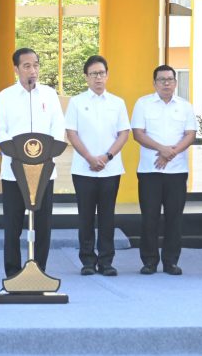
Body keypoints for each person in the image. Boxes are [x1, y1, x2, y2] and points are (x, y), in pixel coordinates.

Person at [0, 47, 65, 278]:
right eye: (26, 66)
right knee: (13, 226)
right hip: (14, 172)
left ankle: (40, 271)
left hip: (43, 171)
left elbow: (58, 128)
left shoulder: (50, 95)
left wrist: (47, 152)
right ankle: (13, 274)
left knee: (42, 225)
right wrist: (18, 153)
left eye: (35, 65)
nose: (32, 70)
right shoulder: (5, 96)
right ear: (16, 69)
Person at [64, 55, 130, 276]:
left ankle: (107, 261)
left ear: (107, 75)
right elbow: (71, 133)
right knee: (85, 216)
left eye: (101, 73)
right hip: (84, 169)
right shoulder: (77, 102)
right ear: (86, 77)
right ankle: (87, 261)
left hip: (110, 169)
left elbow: (123, 133)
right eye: (93, 74)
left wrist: (107, 157)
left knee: (107, 216)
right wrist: (90, 158)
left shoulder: (117, 103)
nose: (98, 78)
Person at [131, 64, 196, 275]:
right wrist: (162, 149)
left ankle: (171, 261)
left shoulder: (185, 106)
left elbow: (190, 134)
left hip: (176, 171)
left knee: (174, 218)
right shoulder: (143, 104)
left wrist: (172, 152)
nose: (166, 83)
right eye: (161, 79)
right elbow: (138, 134)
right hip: (150, 170)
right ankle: (149, 261)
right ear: (154, 83)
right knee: (149, 217)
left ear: (176, 83)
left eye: (170, 79)